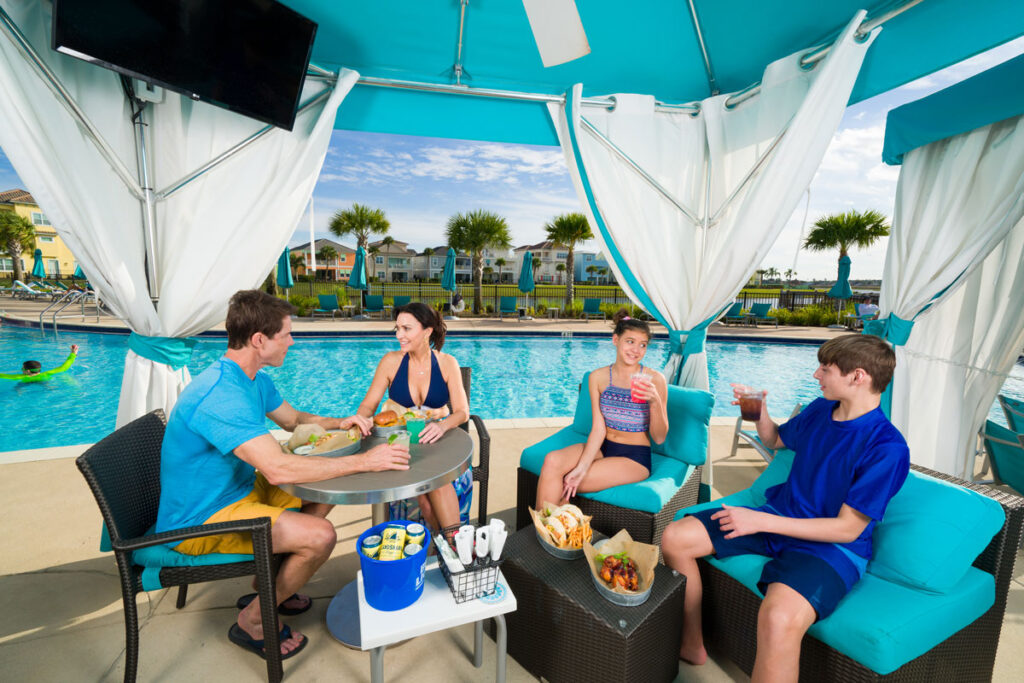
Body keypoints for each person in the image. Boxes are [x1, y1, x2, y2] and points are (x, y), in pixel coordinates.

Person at [155, 290, 410, 661]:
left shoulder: (252, 378)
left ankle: (271, 586)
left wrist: (342, 422)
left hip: (238, 490)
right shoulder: (219, 394)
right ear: (259, 340)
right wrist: (363, 462)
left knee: (326, 490)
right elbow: (277, 469)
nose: (292, 341)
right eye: (286, 334)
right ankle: (254, 619)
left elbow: (292, 420)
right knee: (320, 536)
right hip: (201, 516)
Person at [661, 334, 909, 682]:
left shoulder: (887, 447)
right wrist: (761, 414)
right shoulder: (821, 409)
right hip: (779, 518)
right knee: (675, 537)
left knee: (778, 618)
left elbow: (847, 529)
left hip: (832, 549)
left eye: (826, 368)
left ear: (858, 377)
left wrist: (758, 519)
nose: (816, 375)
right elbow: (776, 439)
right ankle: (692, 644)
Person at [535, 309, 668, 509]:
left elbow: (659, 438)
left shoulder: (655, 380)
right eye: (630, 341)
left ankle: (552, 531)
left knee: (569, 479)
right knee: (552, 461)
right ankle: (544, 532)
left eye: (643, 345)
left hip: (634, 456)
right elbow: (599, 429)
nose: (636, 350)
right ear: (616, 340)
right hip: (602, 446)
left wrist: (655, 402)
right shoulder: (597, 377)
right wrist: (582, 465)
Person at [356, 302, 471, 534]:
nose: (399, 335)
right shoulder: (391, 362)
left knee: (433, 491)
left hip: (438, 443)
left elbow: (462, 412)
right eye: (397, 328)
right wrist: (361, 419)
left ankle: (443, 547)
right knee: (426, 498)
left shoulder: (447, 363)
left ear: (427, 331)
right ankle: (452, 548)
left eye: (407, 329)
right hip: (403, 446)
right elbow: (368, 405)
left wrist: (442, 425)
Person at [0, 344, 78, 382]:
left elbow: (3, 375)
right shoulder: (47, 374)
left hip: (25, 383)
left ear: (28, 371)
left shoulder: (19, 377)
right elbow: (64, 367)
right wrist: (73, 353)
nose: (21, 369)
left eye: (23, 368)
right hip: (43, 381)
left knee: (19, 387)